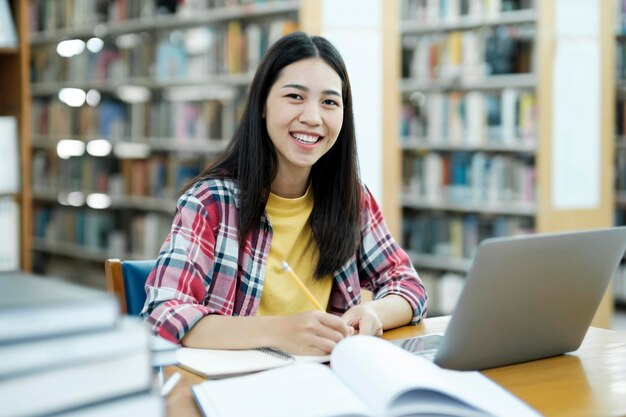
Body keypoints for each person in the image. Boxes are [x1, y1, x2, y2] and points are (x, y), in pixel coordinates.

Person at [141, 31, 427, 356]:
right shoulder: (210, 203)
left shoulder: (350, 198)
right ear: (262, 104)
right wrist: (282, 331)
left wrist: (374, 312)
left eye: (330, 102)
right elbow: (161, 314)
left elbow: (408, 284)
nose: (312, 117)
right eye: (294, 97)